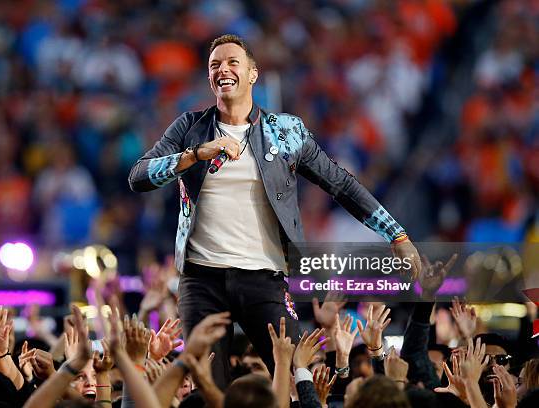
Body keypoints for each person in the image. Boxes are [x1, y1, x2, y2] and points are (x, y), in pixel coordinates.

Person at [129, 33, 421, 388]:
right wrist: (194, 155)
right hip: (201, 279)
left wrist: (396, 233)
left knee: (298, 381)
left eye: (233, 62)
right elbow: (139, 177)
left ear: (253, 73)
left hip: (264, 276)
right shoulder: (190, 128)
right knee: (207, 386)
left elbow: (341, 184)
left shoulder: (285, 132)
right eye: (214, 65)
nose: (223, 69)